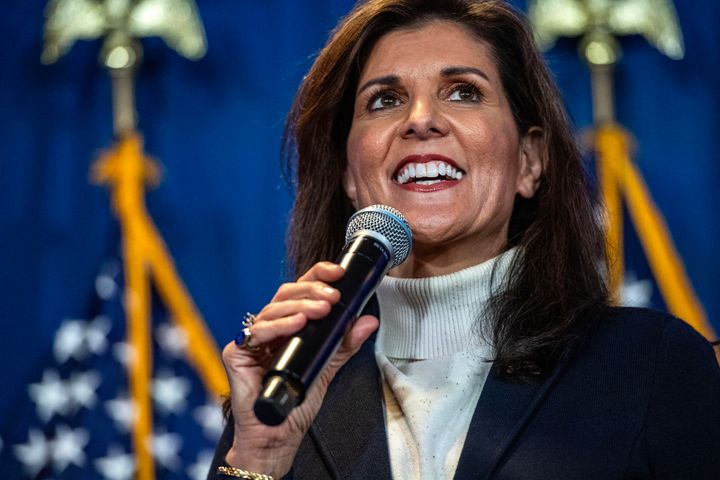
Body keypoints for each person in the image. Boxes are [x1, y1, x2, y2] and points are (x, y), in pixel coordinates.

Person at [209, 0, 720, 479]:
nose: (420, 120)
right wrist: (261, 455)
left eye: (463, 92)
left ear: (529, 161)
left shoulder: (649, 366)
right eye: (385, 100)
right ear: (348, 172)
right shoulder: (289, 382)